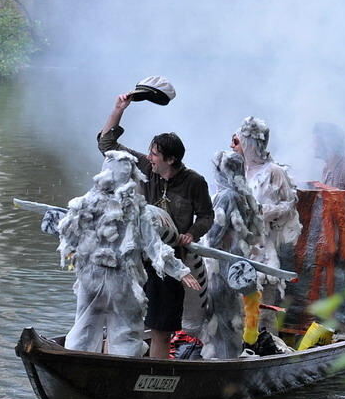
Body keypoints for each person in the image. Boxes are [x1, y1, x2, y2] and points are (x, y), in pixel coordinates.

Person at [98, 88, 213, 358]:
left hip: (171, 261)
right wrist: (118, 110)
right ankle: (112, 365)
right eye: (150, 153)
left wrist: (191, 233)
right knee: (120, 319)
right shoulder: (145, 167)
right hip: (138, 257)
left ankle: (155, 371)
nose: (149, 157)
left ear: (171, 159)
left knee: (162, 328)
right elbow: (107, 146)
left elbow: (207, 216)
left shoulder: (194, 182)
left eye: (155, 154)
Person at [58, 151, 197, 357]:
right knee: (124, 332)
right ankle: (123, 364)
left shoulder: (85, 203)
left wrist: (70, 252)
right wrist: (180, 271)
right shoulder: (135, 210)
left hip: (92, 278)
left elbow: (67, 234)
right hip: (121, 282)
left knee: (84, 327)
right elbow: (154, 245)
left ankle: (74, 361)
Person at [230, 116, 300, 332]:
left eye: (236, 141)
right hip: (236, 250)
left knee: (262, 314)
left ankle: (266, 346)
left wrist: (259, 212)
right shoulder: (234, 170)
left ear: (249, 143)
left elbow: (289, 205)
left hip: (263, 251)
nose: (232, 145)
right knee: (238, 313)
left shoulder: (274, 172)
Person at [200, 151, 267, 359]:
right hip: (237, 268)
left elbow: (212, 236)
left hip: (221, 268)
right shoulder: (244, 195)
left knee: (221, 321)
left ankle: (225, 363)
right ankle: (230, 358)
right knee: (231, 318)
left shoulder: (226, 196)